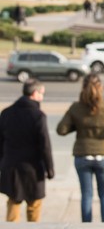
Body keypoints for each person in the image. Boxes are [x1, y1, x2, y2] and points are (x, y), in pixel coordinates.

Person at [56, 74, 104, 223]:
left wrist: (77, 126)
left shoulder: (76, 107)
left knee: (86, 195)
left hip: (82, 154)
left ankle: (86, 225)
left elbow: (61, 130)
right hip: (103, 154)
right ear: (100, 88)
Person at [0, 80, 54, 222]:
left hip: (11, 167)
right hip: (33, 168)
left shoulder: (6, 113)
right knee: (34, 204)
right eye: (42, 93)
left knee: (13, 202)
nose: (42, 96)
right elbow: (45, 146)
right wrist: (50, 169)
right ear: (34, 93)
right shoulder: (38, 116)